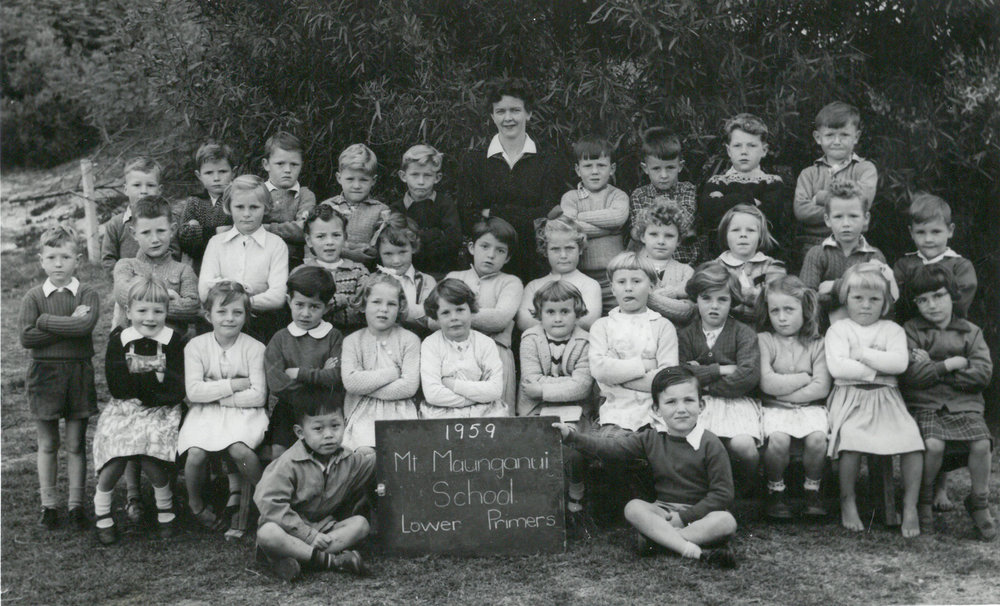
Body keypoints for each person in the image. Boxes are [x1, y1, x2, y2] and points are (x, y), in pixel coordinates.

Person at [554, 366, 737, 568]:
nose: (681, 409)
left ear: (701, 405)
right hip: (663, 512)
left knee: (726, 521)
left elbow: (722, 494)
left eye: (689, 400)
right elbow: (610, 448)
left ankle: (659, 541)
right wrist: (571, 436)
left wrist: (683, 518)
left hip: (700, 514)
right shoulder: (651, 438)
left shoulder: (711, 443)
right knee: (633, 507)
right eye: (671, 402)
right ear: (656, 409)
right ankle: (687, 547)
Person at [825, 262, 924, 537]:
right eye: (858, 298)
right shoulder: (839, 329)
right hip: (850, 397)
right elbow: (838, 368)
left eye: (874, 299)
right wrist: (878, 368)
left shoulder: (892, 330)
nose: (866, 305)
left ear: (885, 303)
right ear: (846, 299)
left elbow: (899, 363)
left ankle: (910, 506)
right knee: (851, 439)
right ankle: (848, 501)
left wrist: (861, 354)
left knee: (912, 441)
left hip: (887, 398)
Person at [901, 265, 994, 539]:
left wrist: (934, 367)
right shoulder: (912, 330)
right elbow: (912, 376)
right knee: (933, 444)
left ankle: (979, 502)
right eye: (923, 300)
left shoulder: (971, 332)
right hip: (926, 405)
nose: (932, 305)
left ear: (952, 295)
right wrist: (952, 364)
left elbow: (982, 374)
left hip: (965, 406)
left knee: (981, 444)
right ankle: (924, 498)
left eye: (938, 296)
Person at [19, 226, 100, 530]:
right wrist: (65, 324)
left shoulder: (87, 293)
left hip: (78, 373)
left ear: (77, 259)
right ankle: (49, 505)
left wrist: (45, 323)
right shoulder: (33, 297)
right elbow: (27, 337)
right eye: (51, 257)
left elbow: (84, 328)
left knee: (76, 443)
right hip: (44, 375)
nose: (58, 263)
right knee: (48, 442)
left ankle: (76, 505)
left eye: (65, 257)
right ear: (41, 260)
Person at [93, 276, 185, 544]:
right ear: (129, 311)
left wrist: (145, 385)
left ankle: (165, 508)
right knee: (116, 454)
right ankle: (102, 512)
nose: (150, 318)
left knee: (150, 454)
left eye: (158, 311)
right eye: (142, 310)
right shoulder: (120, 341)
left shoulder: (173, 341)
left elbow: (175, 387)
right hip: (125, 407)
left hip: (162, 409)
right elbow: (118, 385)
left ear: (166, 312)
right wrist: (154, 380)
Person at [253, 386, 373, 581]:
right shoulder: (288, 463)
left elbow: (375, 462)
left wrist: (381, 451)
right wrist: (307, 535)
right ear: (300, 432)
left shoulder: (348, 460)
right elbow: (270, 504)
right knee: (268, 533)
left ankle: (295, 558)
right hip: (288, 529)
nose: (328, 435)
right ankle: (332, 561)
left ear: (345, 424)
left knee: (360, 525)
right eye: (318, 429)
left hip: (323, 528)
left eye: (335, 426)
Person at [180, 282, 268, 534]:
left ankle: (269, 502)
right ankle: (196, 505)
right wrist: (233, 384)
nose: (229, 318)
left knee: (240, 450)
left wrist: (216, 394)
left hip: (245, 412)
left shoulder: (255, 348)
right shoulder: (196, 346)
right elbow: (193, 392)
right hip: (204, 412)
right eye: (222, 312)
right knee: (196, 453)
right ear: (208, 316)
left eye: (237, 312)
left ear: (246, 316)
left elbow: (258, 396)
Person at [458, 80, 568, 280]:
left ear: (528, 113)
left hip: (536, 266)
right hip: (488, 265)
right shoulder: (473, 161)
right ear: (492, 116)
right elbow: (468, 218)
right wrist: (528, 216)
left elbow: (549, 215)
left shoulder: (549, 160)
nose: (508, 118)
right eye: (500, 111)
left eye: (515, 110)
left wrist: (492, 212)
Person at [677, 262, 761, 494]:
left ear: (732, 301)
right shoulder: (686, 335)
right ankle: (702, 493)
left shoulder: (743, 333)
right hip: (699, 404)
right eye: (706, 298)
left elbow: (748, 375)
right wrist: (721, 370)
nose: (714, 306)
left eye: (722, 299)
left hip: (736, 403)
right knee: (696, 444)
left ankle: (744, 492)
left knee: (744, 447)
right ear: (696, 299)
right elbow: (681, 374)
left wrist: (702, 378)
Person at [518, 281, 595, 530]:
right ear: (540, 313)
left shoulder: (585, 342)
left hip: (576, 410)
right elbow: (529, 381)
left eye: (565, 311)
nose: (558, 318)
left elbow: (582, 386)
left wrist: (544, 389)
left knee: (575, 446)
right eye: (550, 312)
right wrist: (564, 385)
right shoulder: (530, 339)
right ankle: (542, 503)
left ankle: (576, 493)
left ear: (577, 312)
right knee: (535, 446)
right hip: (536, 410)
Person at [755, 276, 831, 519]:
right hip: (774, 409)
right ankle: (775, 490)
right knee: (778, 439)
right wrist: (803, 377)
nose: (782, 317)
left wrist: (783, 391)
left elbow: (821, 387)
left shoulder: (818, 343)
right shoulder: (765, 340)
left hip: (811, 408)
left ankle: (812, 489)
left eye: (789, 310)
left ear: (805, 309)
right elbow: (767, 383)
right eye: (775, 311)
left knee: (818, 438)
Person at [588, 252, 679, 435]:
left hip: (656, 414)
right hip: (614, 413)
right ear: (612, 288)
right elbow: (600, 370)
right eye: (621, 282)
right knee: (614, 443)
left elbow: (666, 379)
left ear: (651, 286)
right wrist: (646, 365)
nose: (628, 288)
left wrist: (618, 377)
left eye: (636, 281)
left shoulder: (662, 326)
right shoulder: (602, 326)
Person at [264, 266, 344, 459]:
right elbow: (277, 384)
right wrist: (320, 374)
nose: (305, 313)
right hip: (289, 407)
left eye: (314, 306)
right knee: (279, 452)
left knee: (323, 451)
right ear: (289, 301)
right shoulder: (280, 339)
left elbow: (336, 377)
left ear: (327, 307)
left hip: (324, 408)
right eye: (299, 305)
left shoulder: (333, 337)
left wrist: (299, 373)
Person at [444, 217, 523, 412]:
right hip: (454, 355)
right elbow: (434, 319)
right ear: (472, 248)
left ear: (508, 257)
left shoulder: (510, 282)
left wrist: (453, 315)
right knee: (457, 411)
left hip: (496, 355)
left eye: (500, 250)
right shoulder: (454, 277)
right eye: (485, 246)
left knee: (497, 413)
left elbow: (500, 319)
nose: (491, 255)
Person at [199, 175, 289, 343]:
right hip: (221, 322)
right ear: (229, 207)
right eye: (239, 207)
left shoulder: (276, 244)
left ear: (266, 208)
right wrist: (238, 299)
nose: (246, 214)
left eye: (254, 207)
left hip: (261, 324)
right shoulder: (216, 243)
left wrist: (240, 302)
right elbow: (204, 290)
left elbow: (278, 296)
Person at [341, 273, 421, 449]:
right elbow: (351, 383)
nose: (383, 309)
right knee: (363, 453)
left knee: (400, 452)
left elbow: (408, 387)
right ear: (363, 304)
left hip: (400, 412)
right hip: (360, 412)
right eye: (376, 302)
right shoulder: (352, 341)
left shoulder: (409, 340)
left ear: (400, 307)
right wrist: (393, 373)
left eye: (391, 304)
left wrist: (365, 386)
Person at [101, 156, 181, 328]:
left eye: (150, 185)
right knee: (122, 330)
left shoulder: (167, 221)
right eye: (137, 185)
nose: (143, 191)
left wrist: (160, 282)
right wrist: (123, 281)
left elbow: (174, 253)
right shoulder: (116, 224)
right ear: (125, 189)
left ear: (159, 189)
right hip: (128, 289)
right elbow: (108, 259)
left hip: (161, 289)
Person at [793, 102, 878, 262]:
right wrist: (845, 209)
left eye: (844, 135)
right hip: (813, 243)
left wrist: (819, 197)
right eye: (830, 135)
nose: (837, 141)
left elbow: (864, 200)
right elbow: (801, 211)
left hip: (853, 242)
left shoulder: (865, 169)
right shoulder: (808, 174)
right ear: (818, 138)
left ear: (856, 137)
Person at [699, 113, 790, 259]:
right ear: (729, 151)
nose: (744, 152)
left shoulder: (772, 182)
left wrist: (726, 200)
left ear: (764, 150)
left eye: (751, 145)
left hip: (761, 255)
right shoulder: (717, 181)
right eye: (737, 146)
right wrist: (752, 201)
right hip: (721, 255)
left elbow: (770, 216)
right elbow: (709, 213)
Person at [558, 135, 630, 312]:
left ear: (612, 169)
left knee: (619, 316)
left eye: (601, 165)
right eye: (588, 166)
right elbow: (569, 227)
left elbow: (617, 218)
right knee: (584, 316)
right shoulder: (570, 198)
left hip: (615, 276)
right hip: (581, 276)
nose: (595, 171)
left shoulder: (618, 195)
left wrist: (580, 217)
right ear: (578, 170)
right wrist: (611, 230)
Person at [799, 179, 892, 314]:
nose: (846, 223)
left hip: (865, 322)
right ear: (827, 220)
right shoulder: (817, 253)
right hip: (823, 323)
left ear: (866, 218)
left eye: (853, 216)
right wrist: (853, 294)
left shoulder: (874, 256)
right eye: (838, 217)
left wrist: (835, 287)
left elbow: (878, 297)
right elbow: (807, 299)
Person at [419, 279, 506, 418]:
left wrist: (453, 385)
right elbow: (433, 394)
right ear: (436, 317)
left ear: (471, 310)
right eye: (445, 313)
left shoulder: (486, 343)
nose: (454, 318)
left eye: (460, 310)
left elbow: (495, 390)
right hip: (442, 413)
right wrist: (474, 399)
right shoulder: (431, 344)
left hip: (484, 414)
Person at [112, 195, 200, 332]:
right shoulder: (126, 266)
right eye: (146, 232)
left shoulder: (184, 271)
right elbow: (122, 294)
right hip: (130, 342)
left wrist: (142, 304)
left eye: (161, 231)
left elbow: (192, 308)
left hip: (170, 344)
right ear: (134, 234)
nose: (154, 239)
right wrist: (168, 299)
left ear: (172, 230)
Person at [893, 192, 977, 323]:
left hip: (950, 329)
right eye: (920, 232)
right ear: (911, 233)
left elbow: (959, 305)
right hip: (911, 329)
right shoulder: (904, 265)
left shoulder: (961, 266)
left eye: (936, 231)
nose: (928, 239)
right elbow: (898, 303)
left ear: (950, 230)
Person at [628, 127, 700, 264]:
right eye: (656, 168)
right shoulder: (639, 195)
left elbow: (685, 222)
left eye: (670, 167)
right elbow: (638, 232)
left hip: (686, 262)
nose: (664, 175)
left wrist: (652, 223)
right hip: (650, 264)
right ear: (645, 168)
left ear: (680, 166)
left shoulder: (688, 190)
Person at [517, 215, 602, 332]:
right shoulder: (534, 286)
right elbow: (523, 321)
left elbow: (588, 320)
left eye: (569, 248)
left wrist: (548, 324)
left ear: (580, 249)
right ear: (545, 251)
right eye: (555, 249)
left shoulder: (589, 284)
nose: (563, 255)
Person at [296, 204, 369, 334]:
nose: (329, 242)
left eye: (336, 235)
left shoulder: (358, 271)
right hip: (312, 335)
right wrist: (346, 299)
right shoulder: (302, 272)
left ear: (345, 238)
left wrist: (325, 302)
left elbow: (364, 305)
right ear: (309, 240)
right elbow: (303, 306)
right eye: (320, 236)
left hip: (352, 333)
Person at [390, 144, 461, 277]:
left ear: (437, 178)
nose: (421, 182)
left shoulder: (445, 204)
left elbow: (453, 241)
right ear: (403, 176)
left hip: (440, 272)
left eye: (427, 175)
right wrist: (435, 233)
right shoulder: (397, 208)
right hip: (406, 273)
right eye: (415, 175)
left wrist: (416, 238)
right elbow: (397, 244)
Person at [320, 143, 390, 266]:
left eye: (363, 180)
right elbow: (317, 242)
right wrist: (349, 253)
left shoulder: (381, 211)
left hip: (365, 270)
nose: (356, 186)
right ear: (339, 178)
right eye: (350, 179)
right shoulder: (327, 206)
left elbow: (380, 249)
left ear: (373, 180)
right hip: (328, 268)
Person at [714, 204, 786, 324]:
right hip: (725, 326)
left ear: (760, 236)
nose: (743, 235)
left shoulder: (773, 266)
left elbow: (775, 297)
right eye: (735, 230)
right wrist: (756, 294)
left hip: (762, 327)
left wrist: (734, 293)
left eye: (751, 230)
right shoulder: (715, 267)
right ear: (725, 235)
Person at [634, 201, 696, 326]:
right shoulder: (632, 267)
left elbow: (687, 310)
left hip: (675, 334)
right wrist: (674, 296)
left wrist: (647, 297)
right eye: (654, 234)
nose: (661, 241)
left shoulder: (686, 271)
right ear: (642, 237)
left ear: (678, 240)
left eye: (669, 236)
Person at [261, 131, 317, 269]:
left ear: (301, 165)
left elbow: (303, 230)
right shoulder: (257, 192)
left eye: (294, 164)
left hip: (293, 262)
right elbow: (247, 227)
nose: (287, 170)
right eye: (280, 163)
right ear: (266, 164)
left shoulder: (305, 196)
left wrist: (265, 228)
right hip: (260, 258)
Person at [375, 213, 437, 337]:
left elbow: (430, 317)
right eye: (388, 254)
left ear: (413, 248)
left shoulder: (426, 281)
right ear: (379, 253)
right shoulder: (374, 282)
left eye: (402, 252)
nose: (396, 261)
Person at [178, 142, 236, 272]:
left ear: (233, 172)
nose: (216, 178)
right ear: (199, 176)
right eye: (209, 173)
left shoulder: (237, 200)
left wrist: (198, 230)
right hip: (200, 265)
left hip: (231, 263)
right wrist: (215, 232)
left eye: (222, 171)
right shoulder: (194, 202)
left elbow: (238, 232)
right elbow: (185, 238)